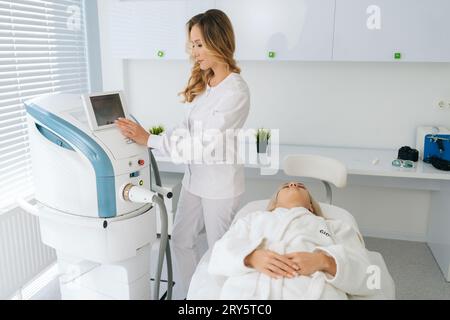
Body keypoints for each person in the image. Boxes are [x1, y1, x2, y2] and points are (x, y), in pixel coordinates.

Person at [115, 9, 250, 298]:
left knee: (219, 253)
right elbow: (186, 127)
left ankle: (218, 299)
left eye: (199, 44)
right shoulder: (206, 82)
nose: (194, 51)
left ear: (218, 41)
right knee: (180, 241)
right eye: (192, 44)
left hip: (220, 185)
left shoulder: (235, 92)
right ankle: (191, 295)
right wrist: (150, 136)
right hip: (194, 180)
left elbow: (201, 145)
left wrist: (150, 140)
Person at [205, 182, 376, 300]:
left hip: (311, 292)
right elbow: (220, 253)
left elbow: (368, 273)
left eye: (301, 186)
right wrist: (251, 257)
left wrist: (324, 261)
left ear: (310, 205)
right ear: (273, 204)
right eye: (286, 186)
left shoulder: (334, 227)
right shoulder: (253, 219)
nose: (293, 184)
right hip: (252, 292)